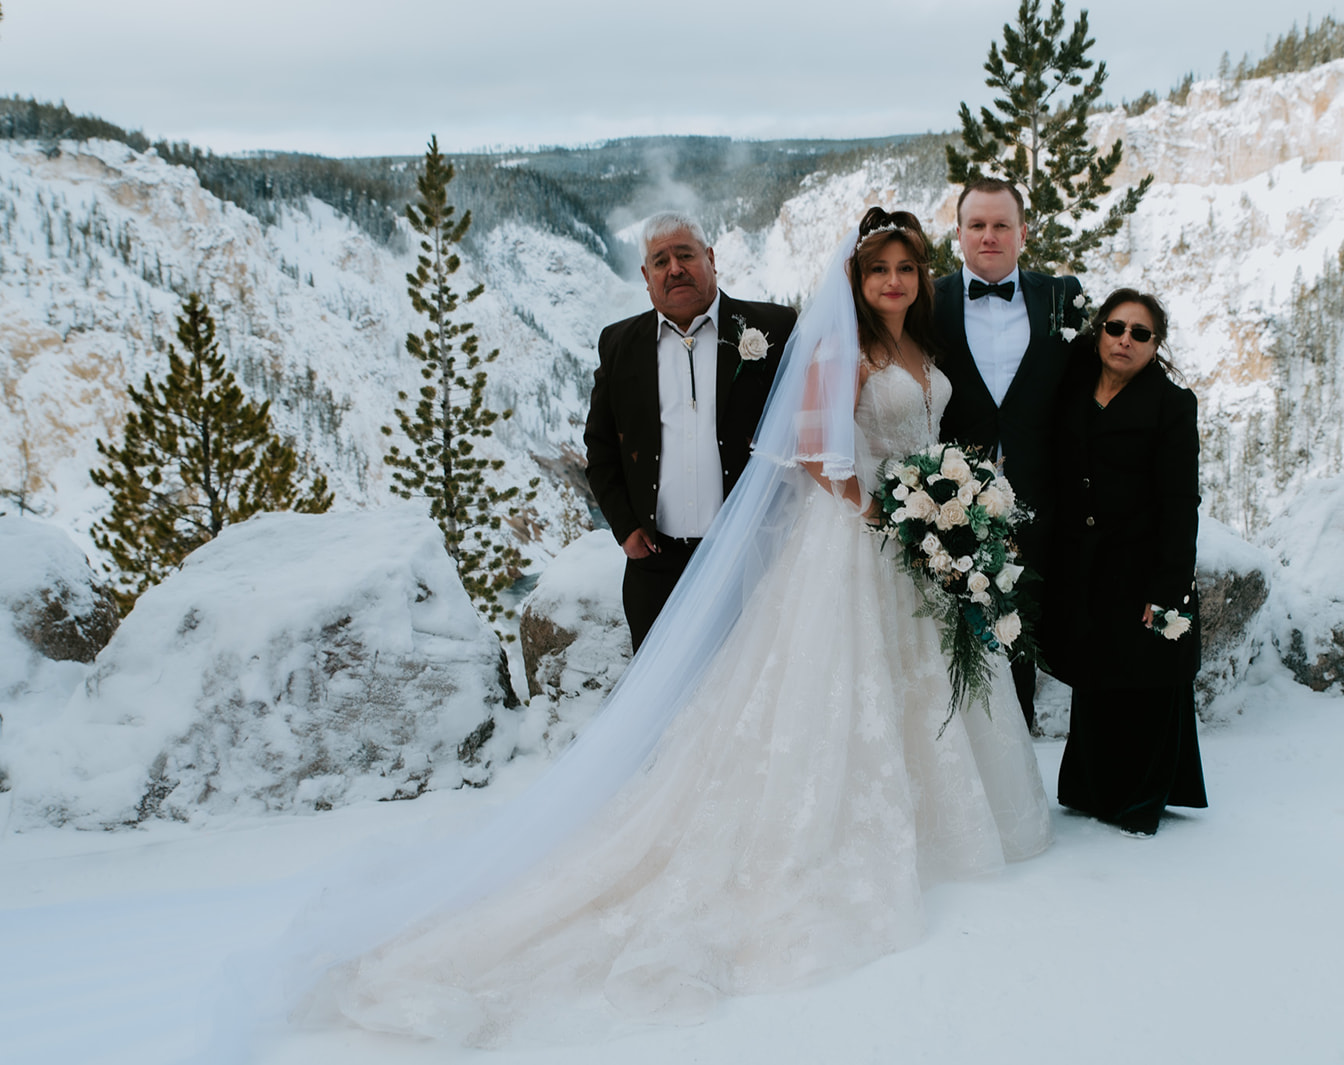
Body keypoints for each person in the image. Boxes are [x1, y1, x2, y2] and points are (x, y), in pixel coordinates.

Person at [319, 209, 1052, 1043]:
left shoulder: (907, 348)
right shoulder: (833, 346)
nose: (893, 281)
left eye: (906, 269)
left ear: (923, 278)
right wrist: (889, 515)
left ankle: (940, 821)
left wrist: (946, 515)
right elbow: (815, 451)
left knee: (914, 682)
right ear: (857, 279)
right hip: (855, 542)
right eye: (878, 269)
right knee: (818, 693)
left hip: (913, 546)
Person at [584, 212, 797, 651]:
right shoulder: (619, 343)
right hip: (656, 568)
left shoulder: (775, 328)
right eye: (660, 261)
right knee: (665, 709)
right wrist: (625, 528)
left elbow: (803, 432)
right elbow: (601, 448)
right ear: (646, 276)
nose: (674, 268)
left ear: (711, 258)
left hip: (750, 560)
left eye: (685, 254)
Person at [1041, 288, 1208, 838]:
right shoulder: (1073, 383)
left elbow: (1182, 503)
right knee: (1096, 675)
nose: (1124, 340)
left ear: (1155, 344)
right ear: (1099, 330)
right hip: (1083, 563)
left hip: (1141, 563)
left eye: (1140, 333)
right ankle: (1090, 790)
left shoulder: (1171, 404)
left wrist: (1167, 588)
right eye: (1116, 327)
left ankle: (1141, 801)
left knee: (1146, 680)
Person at [934, 178, 1090, 733]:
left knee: (1021, 646)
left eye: (1002, 225)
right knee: (952, 655)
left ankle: (1016, 780)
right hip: (947, 508)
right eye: (977, 225)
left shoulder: (1062, 296)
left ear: (1023, 233)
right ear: (958, 234)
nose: (989, 236)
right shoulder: (931, 300)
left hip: (1042, 506)